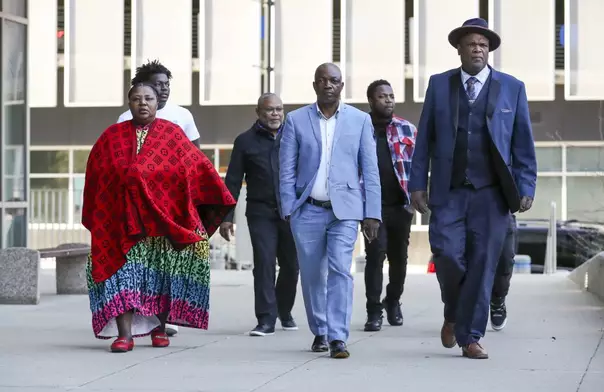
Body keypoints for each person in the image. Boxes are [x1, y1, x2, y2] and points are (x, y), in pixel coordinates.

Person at [409, 18, 537, 359]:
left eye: (483, 43)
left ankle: (470, 337)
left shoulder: (512, 87)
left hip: (492, 193)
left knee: (483, 265)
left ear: (489, 49)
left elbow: (523, 142)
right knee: (448, 257)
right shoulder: (439, 85)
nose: (477, 48)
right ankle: (453, 311)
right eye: (471, 43)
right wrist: (417, 183)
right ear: (459, 49)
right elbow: (424, 139)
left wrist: (526, 185)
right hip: (449, 191)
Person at [83, 83, 235, 353]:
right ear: (128, 103)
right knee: (123, 276)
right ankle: (125, 335)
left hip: (162, 224)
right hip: (120, 224)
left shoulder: (172, 134)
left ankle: (159, 328)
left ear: (157, 103)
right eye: (137, 99)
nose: (143, 103)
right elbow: (96, 175)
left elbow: (197, 167)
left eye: (149, 98)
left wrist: (211, 202)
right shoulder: (111, 136)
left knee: (160, 277)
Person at [279, 63, 381, 359]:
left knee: (340, 270)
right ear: (314, 85)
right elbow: (286, 169)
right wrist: (288, 206)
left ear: (341, 86)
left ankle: (338, 336)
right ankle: (320, 330)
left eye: (334, 80)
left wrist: (371, 212)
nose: (328, 85)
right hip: (306, 210)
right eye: (322, 80)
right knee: (312, 275)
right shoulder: (295, 120)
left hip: (346, 211)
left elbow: (370, 170)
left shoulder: (360, 120)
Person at [117, 60, 201, 337]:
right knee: (133, 268)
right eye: (156, 85)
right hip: (133, 212)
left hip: (169, 208)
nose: (162, 90)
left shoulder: (181, 118)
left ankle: (161, 323)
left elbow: (196, 161)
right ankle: (129, 329)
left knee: (164, 268)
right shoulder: (120, 125)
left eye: (166, 85)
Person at [220, 93, 300, 337]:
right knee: (264, 264)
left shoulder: (294, 137)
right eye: (270, 110)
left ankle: (283, 310)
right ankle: (266, 319)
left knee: (292, 266)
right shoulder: (245, 141)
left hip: (291, 212)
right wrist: (227, 216)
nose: (275, 114)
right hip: (260, 212)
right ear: (258, 112)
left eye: (279, 109)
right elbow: (233, 180)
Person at [362, 80, 417, 332]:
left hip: (400, 206)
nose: (389, 100)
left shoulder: (407, 129)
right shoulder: (359, 129)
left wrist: (414, 199)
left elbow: (418, 165)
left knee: (400, 260)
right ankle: (373, 311)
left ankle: (393, 301)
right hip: (372, 209)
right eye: (382, 96)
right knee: (375, 257)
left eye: (391, 96)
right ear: (371, 101)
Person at [118, 59, 201, 148]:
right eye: (158, 84)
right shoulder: (125, 118)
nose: (165, 88)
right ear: (143, 86)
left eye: (167, 84)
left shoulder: (183, 114)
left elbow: (196, 153)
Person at [490, 213, 517, 331]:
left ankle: (497, 301)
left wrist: (527, 194)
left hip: (501, 210)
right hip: (468, 208)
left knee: (505, 260)